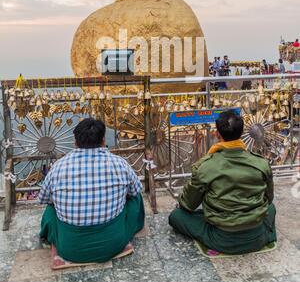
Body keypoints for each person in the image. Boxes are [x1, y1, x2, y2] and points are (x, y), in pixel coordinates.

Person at [169, 110, 276, 255]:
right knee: (271, 208)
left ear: (217, 134)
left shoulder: (206, 166)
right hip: (256, 235)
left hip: (221, 239)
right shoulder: (261, 163)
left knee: (176, 216)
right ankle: (265, 234)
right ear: (242, 132)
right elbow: (269, 199)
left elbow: (188, 204)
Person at [39, 118, 145, 263]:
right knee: (136, 199)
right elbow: (135, 191)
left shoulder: (58, 167)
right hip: (113, 244)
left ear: (75, 142)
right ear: (103, 141)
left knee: (50, 210)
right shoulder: (120, 164)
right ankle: (125, 237)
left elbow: (44, 199)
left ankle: (55, 247)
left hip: (70, 249)